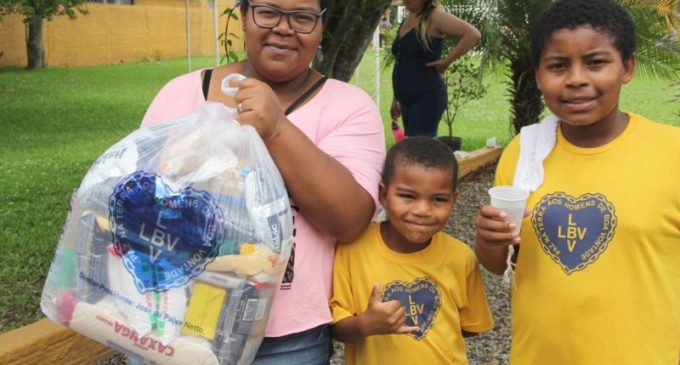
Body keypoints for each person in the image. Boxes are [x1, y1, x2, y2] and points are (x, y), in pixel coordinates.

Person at [140, 0, 386, 363]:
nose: (284, 28)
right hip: (169, 320)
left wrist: (276, 128)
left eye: (302, 18)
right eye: (268, 12)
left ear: (320, 27)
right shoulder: (180, 94)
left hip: (285, 341)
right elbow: (137, 203)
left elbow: (349, 219)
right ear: (242, 15)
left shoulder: (349, 107)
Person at [474, 0, 680, 364]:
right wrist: (489, 239)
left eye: (596, 62)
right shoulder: (526, 152)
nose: (576, 79)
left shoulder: (671, 153)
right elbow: (501, 263)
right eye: (557, 66)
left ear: (627, 67)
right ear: (538, 76)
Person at [331, 137, 494, 364]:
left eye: (438, 199)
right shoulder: (352, 250)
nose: (423, 210)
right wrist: (366, 324)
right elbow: (335, 328)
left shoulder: (460, 257)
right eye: (408, 196)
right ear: (383, 194)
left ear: (454, 200)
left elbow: (469, 327)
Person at [390, 0, 480, 137]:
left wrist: (446, 62)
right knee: (414, 149)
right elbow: (403, 62)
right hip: (406, 100)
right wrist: (396, 98)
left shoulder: (435, 16)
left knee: (420, 151)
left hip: (426, 96)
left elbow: (473, 34)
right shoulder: (409, 18)